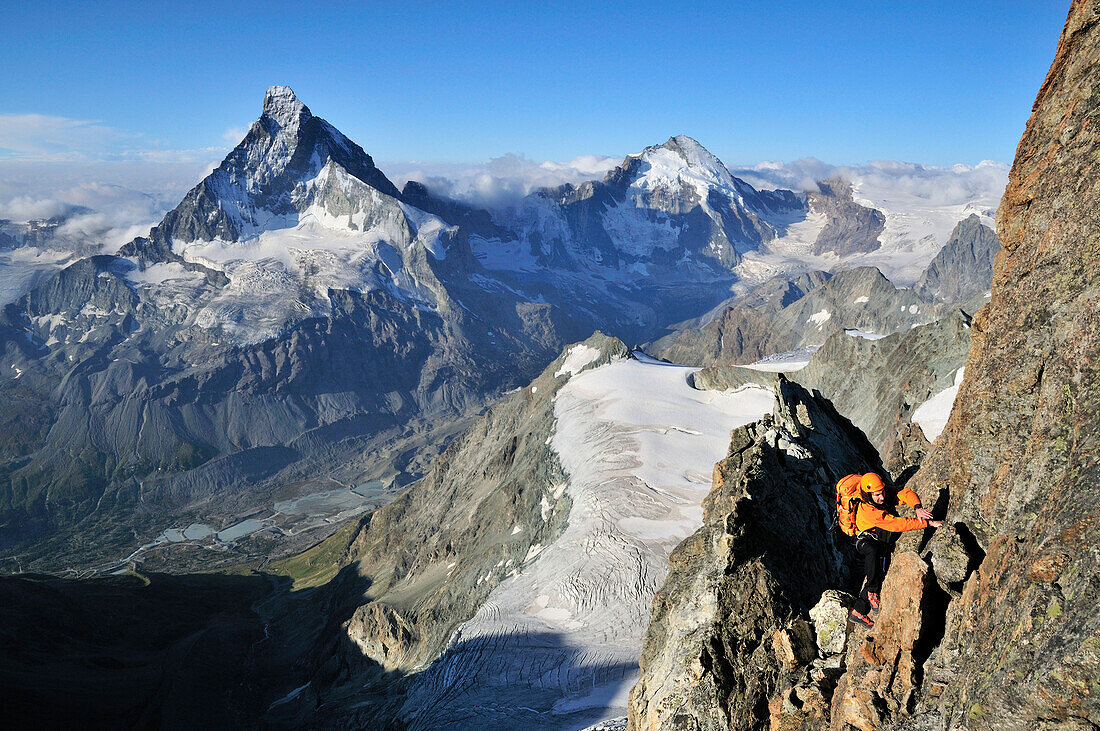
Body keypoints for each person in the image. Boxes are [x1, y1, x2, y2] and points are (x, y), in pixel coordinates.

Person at [849, 472, 942, 628]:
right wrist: (928, 523)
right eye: (877, 495)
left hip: (881, 540)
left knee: (880, 572)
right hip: (864, 540)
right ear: (868, 495)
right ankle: (872, 592)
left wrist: (917, 507)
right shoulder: (868, 510)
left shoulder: (882, 495)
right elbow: (896, 524)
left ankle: (858, 612)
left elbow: (905, 493)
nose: (882, 497)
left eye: (883, 492)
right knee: (872, 551)